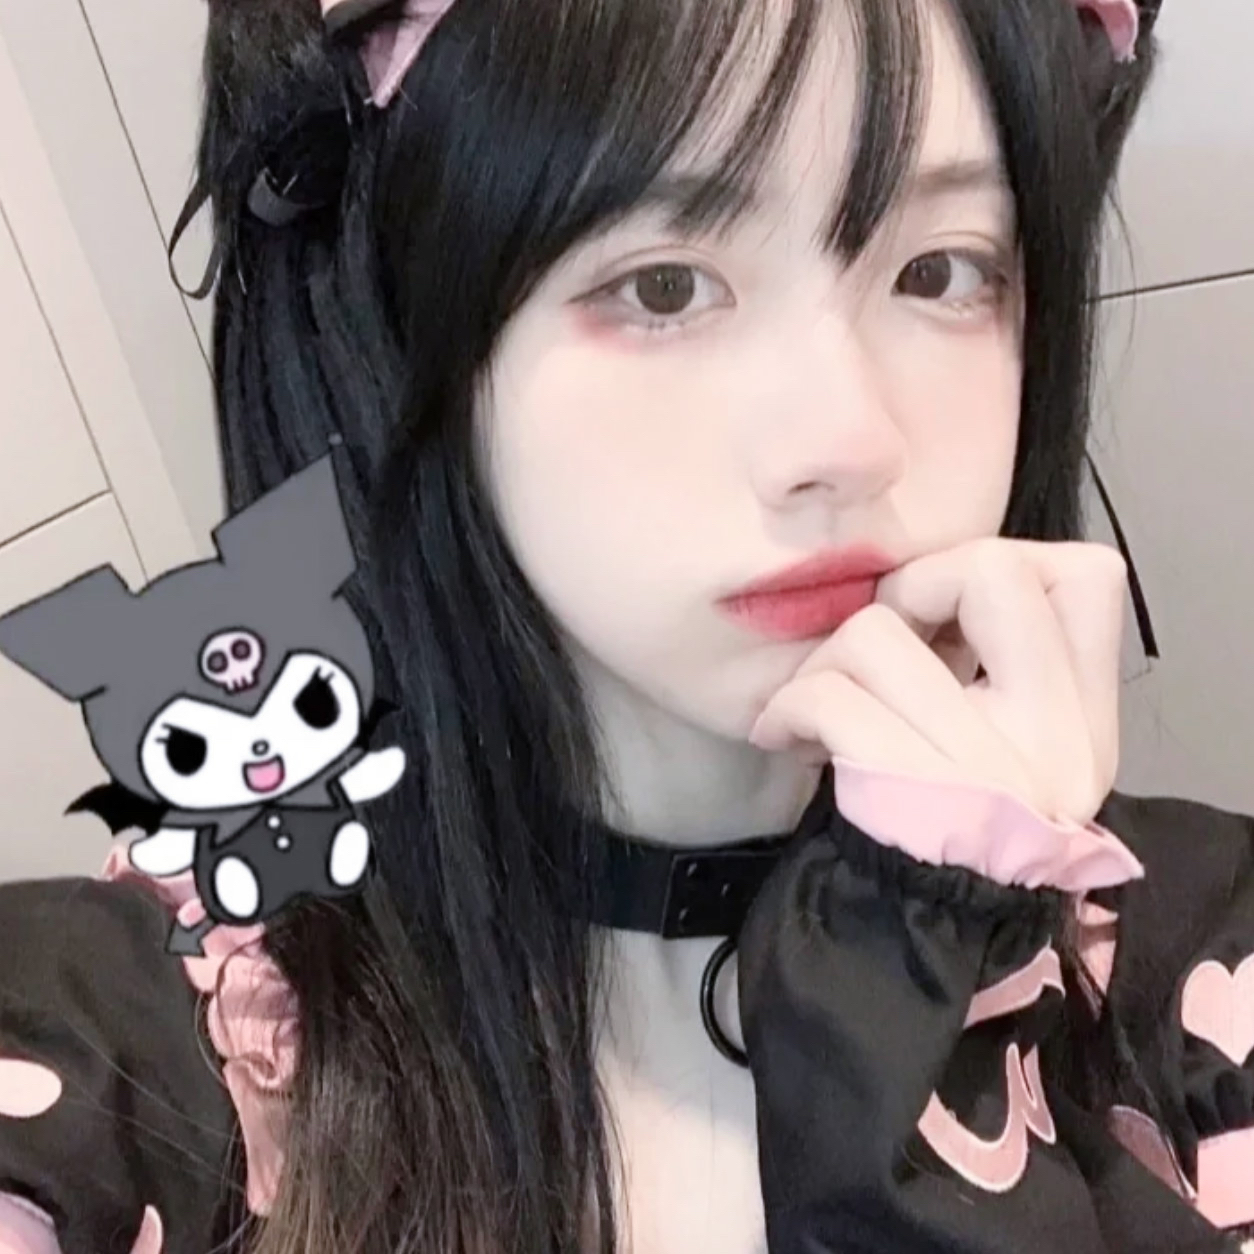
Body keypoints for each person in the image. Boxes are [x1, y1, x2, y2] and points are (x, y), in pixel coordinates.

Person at [2, 0, 1253, 1251]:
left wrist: (925, 951)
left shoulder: (1204, 964)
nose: (849, 440)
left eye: (940, 271)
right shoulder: (138, 1049)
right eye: (666, 286)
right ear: (399, 331)